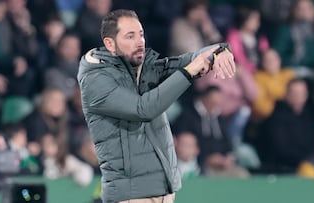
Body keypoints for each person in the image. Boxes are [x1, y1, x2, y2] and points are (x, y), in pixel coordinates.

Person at [77, 9, 236, 203]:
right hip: (131, 195)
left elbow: (193, 58)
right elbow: (142, 109)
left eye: (141, 34)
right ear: (110, 44)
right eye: (130, 36)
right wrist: (187, 73)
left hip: (163, 191)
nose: (140, 42)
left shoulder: (144, 69)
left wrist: (221, 50)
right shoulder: (97, 80)